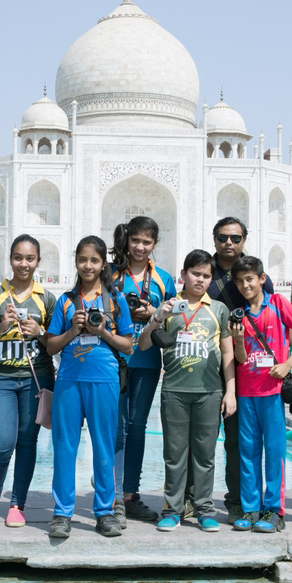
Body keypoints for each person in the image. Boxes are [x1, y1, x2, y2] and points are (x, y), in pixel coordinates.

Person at [139, 249, 235, 533]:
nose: (201, 280)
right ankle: (173, 508)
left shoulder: (218, 309)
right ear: (183, 274)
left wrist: (229, 391)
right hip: (175, 392)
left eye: (206, 276)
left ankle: (205, 508)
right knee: (175, 453)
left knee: (205, 454)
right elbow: (144, 344)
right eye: (196, 273)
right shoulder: (170, 307)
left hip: (209, 392)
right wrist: (158, 315)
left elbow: (227, 353)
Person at [45, 236, 134, 539]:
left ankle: (105, 512)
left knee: (104, 447)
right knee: (65, 447)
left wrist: (101, 331)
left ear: (102, 263)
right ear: (76, 262)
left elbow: (129, 346)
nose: (88, 265)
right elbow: (50, 346)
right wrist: (73, 329)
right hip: (70, 380)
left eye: (94, 260)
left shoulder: (115, 299)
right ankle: (62, 513)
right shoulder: (66, 301)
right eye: (83, 259)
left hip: (104, 380)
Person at [228, 255, 292, 533]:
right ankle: (251, 509)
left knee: (274, 452)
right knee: (248, 452)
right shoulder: (238, 314)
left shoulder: (277, 304)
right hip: (246, 391)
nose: (245, 285)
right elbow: (240, 358)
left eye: (250, 279)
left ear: (262, 279)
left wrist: (289, 363)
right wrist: (239, 339)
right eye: (240, 281)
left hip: (272, 391)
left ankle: (274, 510)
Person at [0, 235, 56, 528]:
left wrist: (40, 332)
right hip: (1, 379)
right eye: (19, 258)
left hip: (36, 380)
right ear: (10, 259)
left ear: (38, 261)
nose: (24, 264)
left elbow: (55, 344)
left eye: (30, 258)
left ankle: (17, 504)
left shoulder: (46, 298)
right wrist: (2, 326)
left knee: (26, 443)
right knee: (1, 444)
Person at [110, 216, 176, 524]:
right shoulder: (111, 275)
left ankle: (129, 495)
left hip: (147, 360)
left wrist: (152, 313)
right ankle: (111, 494)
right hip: (116, 358)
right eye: (135, 240)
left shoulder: (163, 279)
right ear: (127, 241)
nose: (140, 247)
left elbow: (176, 319)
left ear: (155, 244)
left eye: (146, 242)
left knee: (136, 427)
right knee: (116, 427)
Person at [207, 217, 273, 523]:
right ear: (215, 239)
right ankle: (194, 500)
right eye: (223, 237)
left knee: (237, 440)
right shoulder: (204, 273)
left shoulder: (258, 276)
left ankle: (237, 500)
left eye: (235, 237)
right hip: (206, 366)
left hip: (245, 370)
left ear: (244, 240)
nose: (229, 243)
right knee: (202, 438)